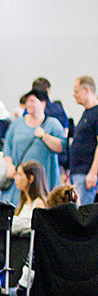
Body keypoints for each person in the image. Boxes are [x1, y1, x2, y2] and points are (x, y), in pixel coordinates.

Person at [0, 88, 65, 207]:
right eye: (27, 101)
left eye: (33, 101)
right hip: (19, 182)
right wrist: (9, 165)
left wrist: (45, 136)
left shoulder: (52, 124)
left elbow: (61, 147)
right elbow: (7, 147)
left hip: (43, 182)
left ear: (43, 103)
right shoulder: (17, 124)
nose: (29, 104)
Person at [69, 76, 98, 205]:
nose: (74, 95)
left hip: (86, 174)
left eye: (76, 91)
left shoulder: (96, 113)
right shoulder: (87, 113)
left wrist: (93, 173)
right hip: (78, 172)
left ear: (87, 90)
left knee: (83, 216)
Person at [11, 161, 49, 236]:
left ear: (30, 179)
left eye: (20, 174)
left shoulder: (39, 203)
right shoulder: (24, 202)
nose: (16, 178)